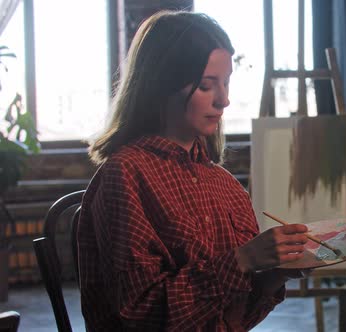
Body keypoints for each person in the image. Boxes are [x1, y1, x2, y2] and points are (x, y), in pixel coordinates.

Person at [78, 10, 309, 331]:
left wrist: (273, 275)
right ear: (161, 86)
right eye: (206, 85)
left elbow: (234, 318)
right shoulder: (127, 174)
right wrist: (242, 260)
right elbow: (138, 314)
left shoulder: (223, 184)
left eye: (226, 83)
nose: (224, 100)